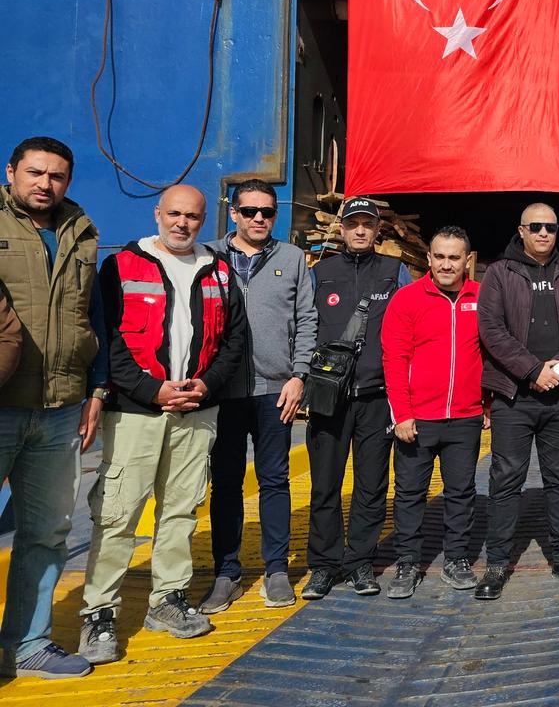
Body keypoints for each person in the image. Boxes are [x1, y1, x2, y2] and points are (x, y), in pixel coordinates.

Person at [78, 185, 247, 664]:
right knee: (118, 516)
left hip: (196, 410)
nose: (182, 223)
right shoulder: (122, 267)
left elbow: (235, 340)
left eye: (192, 216)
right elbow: (107, 339)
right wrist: (151, 390)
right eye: (174, 213)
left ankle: (168, 600)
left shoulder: (219, 271)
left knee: (180, 511)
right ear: (158, 213)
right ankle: (99, 614)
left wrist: (205, 385)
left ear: (203, 220)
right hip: (136, 412)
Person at [0, 137, 106, 680]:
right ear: (11, 172)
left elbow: (92, 317)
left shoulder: (80, 231)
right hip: (3, 402)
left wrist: (96, 390)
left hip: (62, 406)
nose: (45, 183)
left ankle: (27, 644)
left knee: (46, 533)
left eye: (57, 176)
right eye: (35, 172)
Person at [202, 179, 317, 613]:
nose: (258, 219)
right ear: (234, 213)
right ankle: (226, 573)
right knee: (226, 483)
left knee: (274, 480)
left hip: (276, 391)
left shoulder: (291, 258)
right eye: (249, 211)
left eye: (267, 212)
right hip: (223, 391)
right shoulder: (208, 256)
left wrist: (299, 375)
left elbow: (307, 319)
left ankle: (276, 570)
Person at [473, 202, 559, 600]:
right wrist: (531, 370)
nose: (544, 233)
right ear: (522, 230)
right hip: (514, 396)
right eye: (536, 226)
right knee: (506, 480)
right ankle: (496, 564)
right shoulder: (500, 273)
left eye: (551, 227)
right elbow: (491, 330)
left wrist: (556, 369)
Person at [300, 196, 411, 601]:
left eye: (368, 224)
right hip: (329, 397)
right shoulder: (320, 273)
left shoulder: (395, 271)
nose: (361, 230)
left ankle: (361, 562)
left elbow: (410, 328)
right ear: (342, 229)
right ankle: (324, 565)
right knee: (324, 485)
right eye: (353, 224)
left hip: (377, 396)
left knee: (371, 485)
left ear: (378, 230)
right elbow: (304, 327)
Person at [383, 226, 484, 596]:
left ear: (467, 261)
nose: (446, 264)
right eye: (439, 256)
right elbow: (395, 359)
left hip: (465, 416)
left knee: (461, 491)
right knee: (410, 492)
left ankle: (456, 559)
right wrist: (402, 413)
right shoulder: (407, 299)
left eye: (454, 257)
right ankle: (408, 562)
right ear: (428, 258)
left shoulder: (482, 298)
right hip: (418, 418)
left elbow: (492, 354)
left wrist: (487, 403)